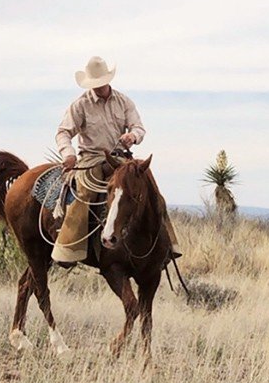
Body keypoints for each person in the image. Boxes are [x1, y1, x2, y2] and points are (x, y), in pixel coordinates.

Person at [52, 55, 180, 265]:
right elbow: (63, 132)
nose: (99, 87)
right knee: (84, 194)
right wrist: (68, 153)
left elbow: (138, 127)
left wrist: (133, 136)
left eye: (101, 82)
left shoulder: (123, 102)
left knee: (151, 190)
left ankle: (167, 246)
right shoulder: (80, 105)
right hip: (91, 159)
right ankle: (69, 249)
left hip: (121, 158)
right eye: (95, 84)